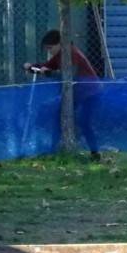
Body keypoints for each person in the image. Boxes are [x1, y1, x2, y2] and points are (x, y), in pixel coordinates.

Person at [23, 29, 102, 160]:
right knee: (60, 118)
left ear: (59, 43)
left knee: (83, 121)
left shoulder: (72, 53)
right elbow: (46, 66)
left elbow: (70, 75)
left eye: (50, 48)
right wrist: (31, 67)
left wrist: (48, 72)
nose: (49, 51)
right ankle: (55, 150)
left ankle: (94, 152)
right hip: (77, 92)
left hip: (90, 92)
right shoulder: (61, 54)